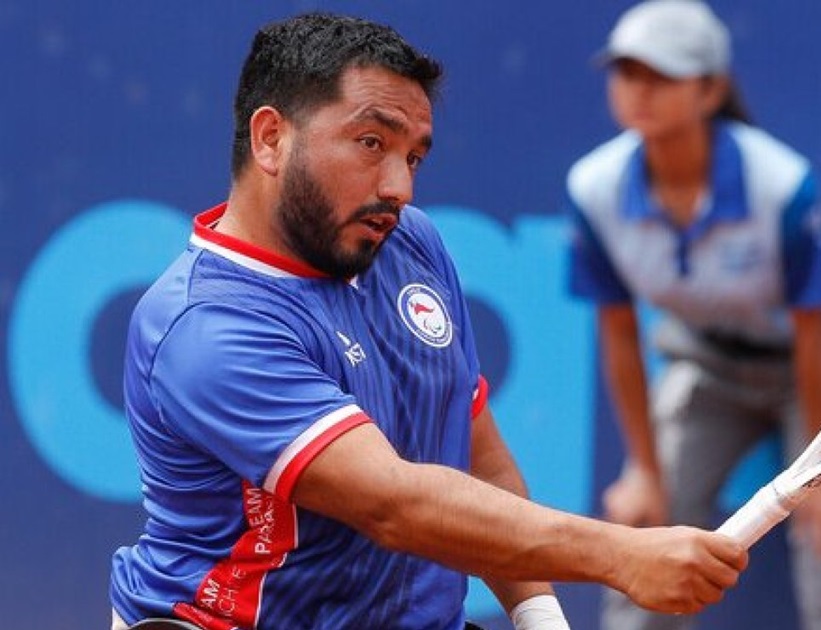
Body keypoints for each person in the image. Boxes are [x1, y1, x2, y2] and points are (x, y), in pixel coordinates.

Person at [108, 12, 749, 630]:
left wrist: (540, 616)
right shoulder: (207, 324)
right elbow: (394, 504)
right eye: (370, 143)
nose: (400, 187)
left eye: (413, 157)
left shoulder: (408, 242)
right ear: (272, 138)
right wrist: (620, 556)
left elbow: (475, 450)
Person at [564, 1, 821, 629]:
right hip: (708, 362)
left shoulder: (780, 185)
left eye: (661, 75)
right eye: (626, 73)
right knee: (646, 538)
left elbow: (813, 330)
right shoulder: (594, 189)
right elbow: (618, 333)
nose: (639, 91)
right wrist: (643, 467)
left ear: (710, 88)